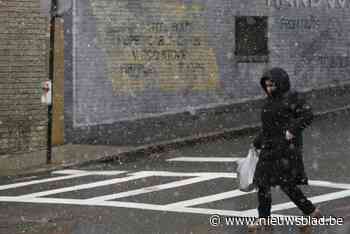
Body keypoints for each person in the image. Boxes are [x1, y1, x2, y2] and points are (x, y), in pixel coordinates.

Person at [249, 67, 321, 231]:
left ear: (281, 83)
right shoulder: (269, 101)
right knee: (263, 184)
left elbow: (307, 115)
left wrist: (291, 131)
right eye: (267, 85)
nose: (269, 89)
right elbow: (268, 127)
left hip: (285, 149)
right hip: (269, 148)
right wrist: (257, 142)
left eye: (272, 85)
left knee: (286, 183)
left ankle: (311, 211)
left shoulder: (292, 98)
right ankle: (265, 219)